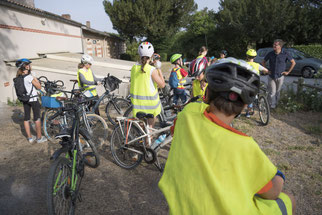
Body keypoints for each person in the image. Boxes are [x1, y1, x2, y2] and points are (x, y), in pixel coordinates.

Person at [159, 58, 295, 215]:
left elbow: (175, 131)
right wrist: (278, 176)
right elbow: (272, 193)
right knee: (289, 199)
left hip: (183, 207)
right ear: (245, 106)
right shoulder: (245, 147)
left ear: (207, 93)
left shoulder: (186, 116)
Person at [130, 42, 165, 127]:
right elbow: (162, 85)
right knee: (149, 129)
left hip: (137, 105)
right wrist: (158, 68)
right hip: (150, 105)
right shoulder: (152, 70)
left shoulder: (134, 68)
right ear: (152, 54)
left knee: (142, 128)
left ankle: (141, 140)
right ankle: (148, 140)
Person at [15, 59, 47, 143]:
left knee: (26, 118)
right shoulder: (29, 77)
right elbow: (39, 87)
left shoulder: (18, 77)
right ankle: (39, 138)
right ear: (26, 66)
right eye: (28, 65)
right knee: (37, 118)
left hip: (25, 99)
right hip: (33, 99)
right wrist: (34, 77)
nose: (29, 66)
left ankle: (29, 138)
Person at [262, 39, 296, 109]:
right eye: (273, 44)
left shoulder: (285, 54)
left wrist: (288, 72)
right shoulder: (270, 53)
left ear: (280, 46)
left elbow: (293, 62)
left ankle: (277, 105)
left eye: (275, 45)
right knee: (272, 92)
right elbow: (263, 62)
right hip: (271, 76)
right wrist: (266, 70)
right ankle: (271, 106)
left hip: (280, 76)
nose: (274, 46)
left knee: (278, 92)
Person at [245, 49, 269, 117]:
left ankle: (248, 113)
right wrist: (264, 72)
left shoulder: (244, 64)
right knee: (255, 94)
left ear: (247, 56)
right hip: (256, 83)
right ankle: (258, 103)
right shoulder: (257, 65)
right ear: (254, 57)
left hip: (248, 83)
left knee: (248, 97)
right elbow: (266, 70)